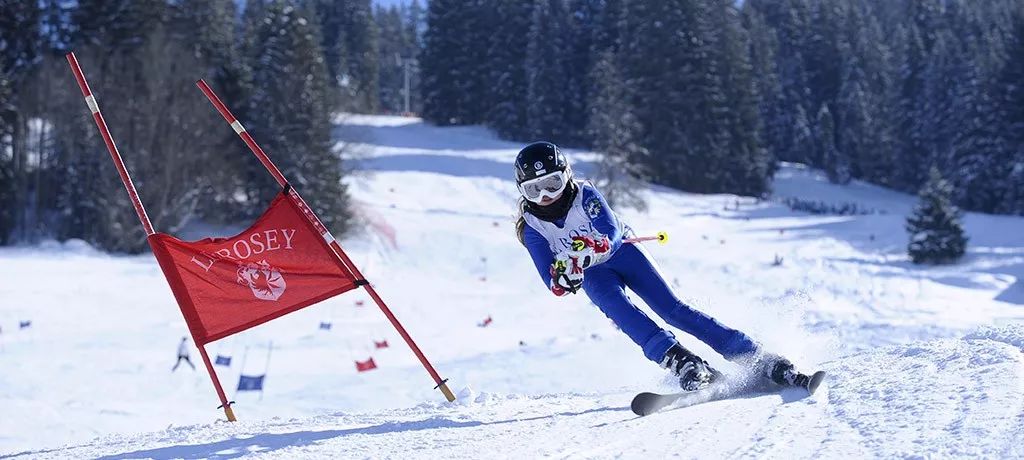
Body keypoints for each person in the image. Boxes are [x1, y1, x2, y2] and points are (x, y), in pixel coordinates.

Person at [513, 141, 815, 391]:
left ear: (566, 176)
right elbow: (550, 278)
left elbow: (610, 231)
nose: (546, 196)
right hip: (593, 273)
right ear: (522, 191)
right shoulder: (532, 227)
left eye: (552, 183)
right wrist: (564, 278)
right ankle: (681, 360)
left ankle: (755, 356)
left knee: (672, 309)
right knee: (621, 312)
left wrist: (596, 247)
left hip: (622, 253)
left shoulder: (585, 194)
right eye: (534, 190)